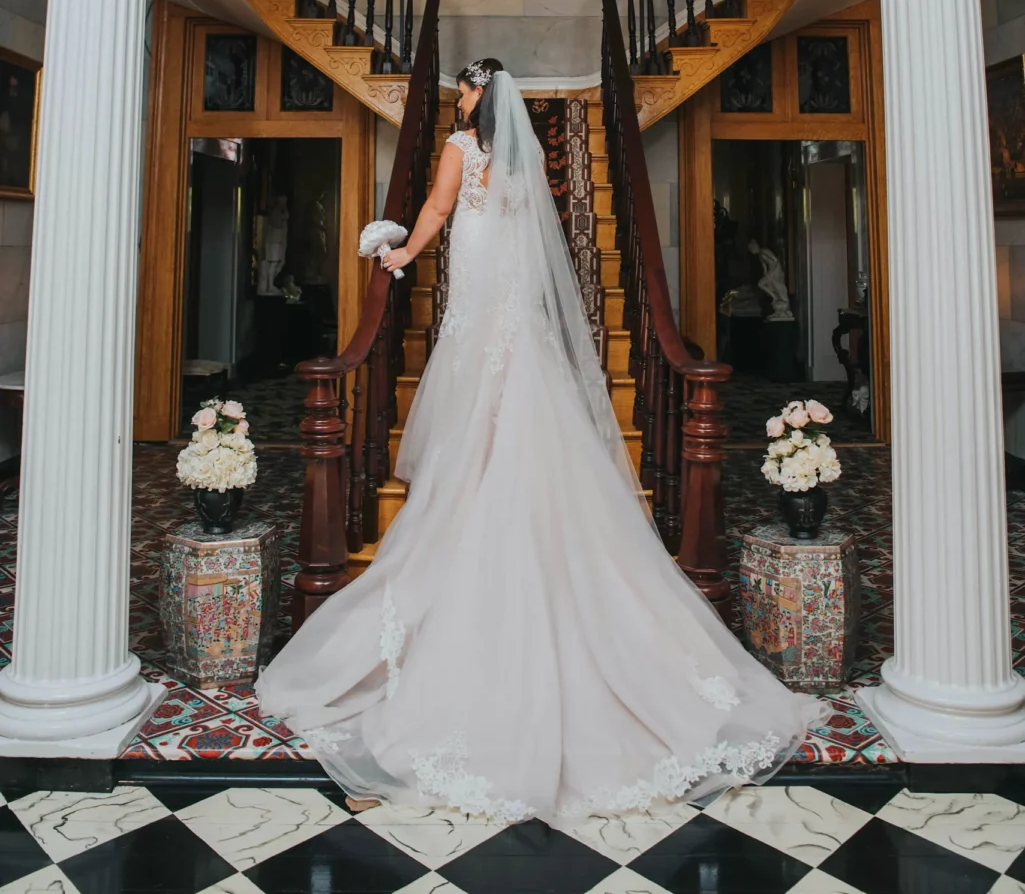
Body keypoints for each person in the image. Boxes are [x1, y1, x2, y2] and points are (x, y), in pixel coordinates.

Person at [257, 60, 822, 824]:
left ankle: (482, 514)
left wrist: (399, 254)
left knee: (478, 421)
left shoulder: (461, 146)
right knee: (521, 411)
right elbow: (522, 247)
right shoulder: (523, 168)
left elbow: (434, 208)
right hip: (513, 316)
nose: (458, 99)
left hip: (479, 316)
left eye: (463, 89)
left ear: (477, 99)